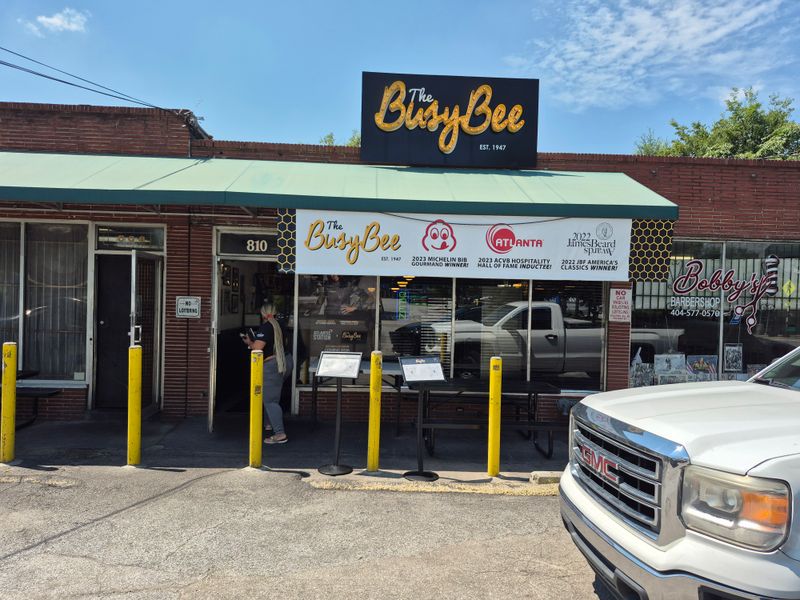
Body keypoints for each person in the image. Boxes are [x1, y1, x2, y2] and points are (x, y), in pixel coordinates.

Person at [242, 302, 293, 444]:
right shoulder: (280, 324)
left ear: (262, 314)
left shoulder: (266, 327)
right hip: (286, 361)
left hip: (273, 365)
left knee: (270, 400)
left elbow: (257, 349)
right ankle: (269, 424)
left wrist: (249, 342)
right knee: (272, 396)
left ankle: (280, 434)